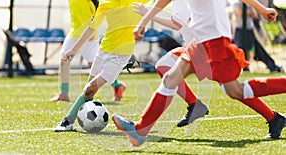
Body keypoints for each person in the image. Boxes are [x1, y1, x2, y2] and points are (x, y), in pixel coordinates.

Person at [112, 0, 286, 147]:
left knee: (234, 90)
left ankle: (275, 114)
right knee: (170, 78)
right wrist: (262, 9)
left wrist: (144, 21)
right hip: (199, 41)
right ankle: (140, 130)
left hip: (215, 40)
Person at [54, 0, 150, 132]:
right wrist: (74, 50)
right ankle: (91, 121)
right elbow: (91, 27)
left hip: (120, 55)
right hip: (103, 51)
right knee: (88, 93)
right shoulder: (105, 3)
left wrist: (146, 20)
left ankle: (67, 121)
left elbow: (158, 5)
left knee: (89, 88)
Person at [132, 1, 209, 127]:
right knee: (164, 65)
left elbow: (176, 25)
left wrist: (148, 15)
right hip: (195, 47)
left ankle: (141, 128)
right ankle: (195, 105)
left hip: (207, 49)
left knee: (236, 90)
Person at [50, 0, 126, 103]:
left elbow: (98, 14)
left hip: (89, 36)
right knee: (64, 61)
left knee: (95, 68)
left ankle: (117, 85)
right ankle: (64, 94)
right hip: (74, 33)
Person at [232, 0, 283, 72]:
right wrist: (249, 12)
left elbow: (254, 14)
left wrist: (250, 12)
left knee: (256, 49)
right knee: (240, 50)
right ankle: (243, 67)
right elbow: (240, 13)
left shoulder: (249, 4)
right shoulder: (237, 4)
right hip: (240, 30)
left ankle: (272, 66)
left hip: (249, 29)